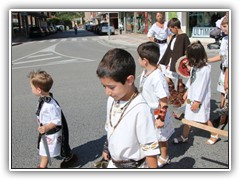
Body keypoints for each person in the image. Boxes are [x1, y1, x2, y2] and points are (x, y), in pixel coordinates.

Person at [96, 48, 160, 168]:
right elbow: (111, 128)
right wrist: (107, 148)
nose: (107, 92)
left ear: (129, 80)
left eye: (111, 87)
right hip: (113, 163)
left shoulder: (141, 108)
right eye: (104, 86)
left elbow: (149, 149)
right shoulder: (111, 100)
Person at [28, 70, 78, 168]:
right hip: (45, 131)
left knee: (45, 150)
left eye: (31, 87)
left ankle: (42, 168)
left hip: (51, 132)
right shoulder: (44, 100)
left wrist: (46, 127)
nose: (31, 89)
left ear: (38, 90)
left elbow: (57, 120)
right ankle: (69, 156)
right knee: (49, 149)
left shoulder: (50, 105)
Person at [172, 41, 219, 145]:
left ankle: (214, 134)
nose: (187, 58)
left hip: (200, 98)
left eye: (188, 56)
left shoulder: (205, 69)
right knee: (188, 117)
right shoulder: (195, 66)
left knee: (203, 118)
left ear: (194, 56)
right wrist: (187, 91)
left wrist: (197, 101)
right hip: (192, 96)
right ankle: (184, 136)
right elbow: (192, 79)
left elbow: (202, 87)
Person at [137, 42, 175, 168]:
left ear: (145, 61)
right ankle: (151, 154)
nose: (138, 59)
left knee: (161, 137)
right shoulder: (146, 71)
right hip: (147, 112)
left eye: (139, 57)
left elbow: (164, 100)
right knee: (151, 135)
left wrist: (161, 118)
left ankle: (164, 157)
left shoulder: (157, 77)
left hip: (157, 113)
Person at [159, 18, 191, 107]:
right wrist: (166, 62)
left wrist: (186, 62)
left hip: (180, 63)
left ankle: (179, 99)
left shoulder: (184, 37)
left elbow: (188, 50)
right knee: (167, 78)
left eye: (171, 29)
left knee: (180, 82)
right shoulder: (174, 36)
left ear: (176, 27)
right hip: (171, 61)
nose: (170, 31)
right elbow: (169, 50)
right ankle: (173, 96)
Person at [208, 16, 229, 128]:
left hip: (228, 72)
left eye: (225, 26)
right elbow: (221, 57)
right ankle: (223, 118)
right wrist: (206, 60)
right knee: (223, 95)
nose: (223, 29)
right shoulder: (225, 40)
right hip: (224, 70)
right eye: (222, 27)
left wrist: (226, 79)